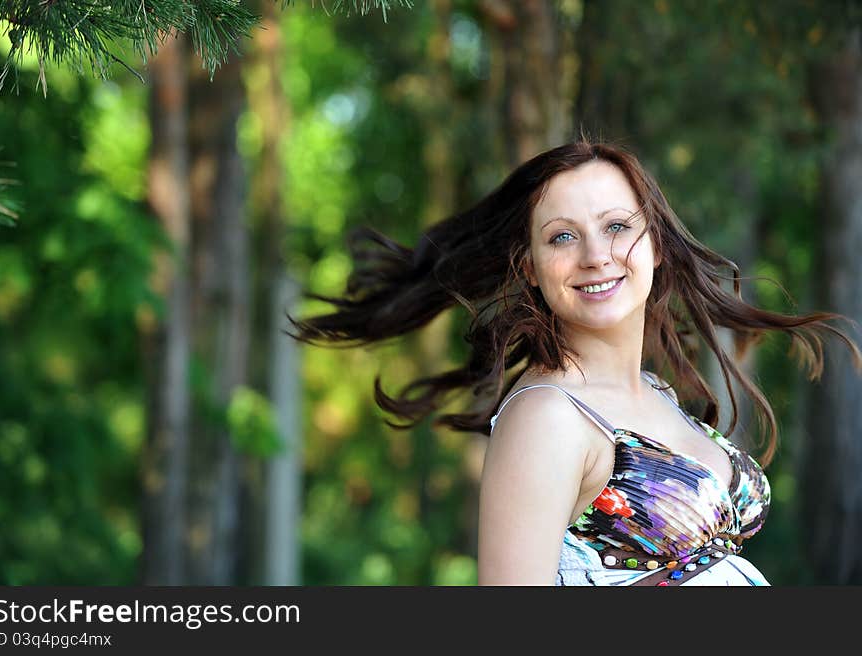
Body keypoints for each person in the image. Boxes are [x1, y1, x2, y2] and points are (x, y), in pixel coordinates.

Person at [286, 138, 862, 586]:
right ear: (531, 267)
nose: (596, 256)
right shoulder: (548, 417)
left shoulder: (655, 391)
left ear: (655, 243)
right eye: (562, 237)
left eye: (616, 226)